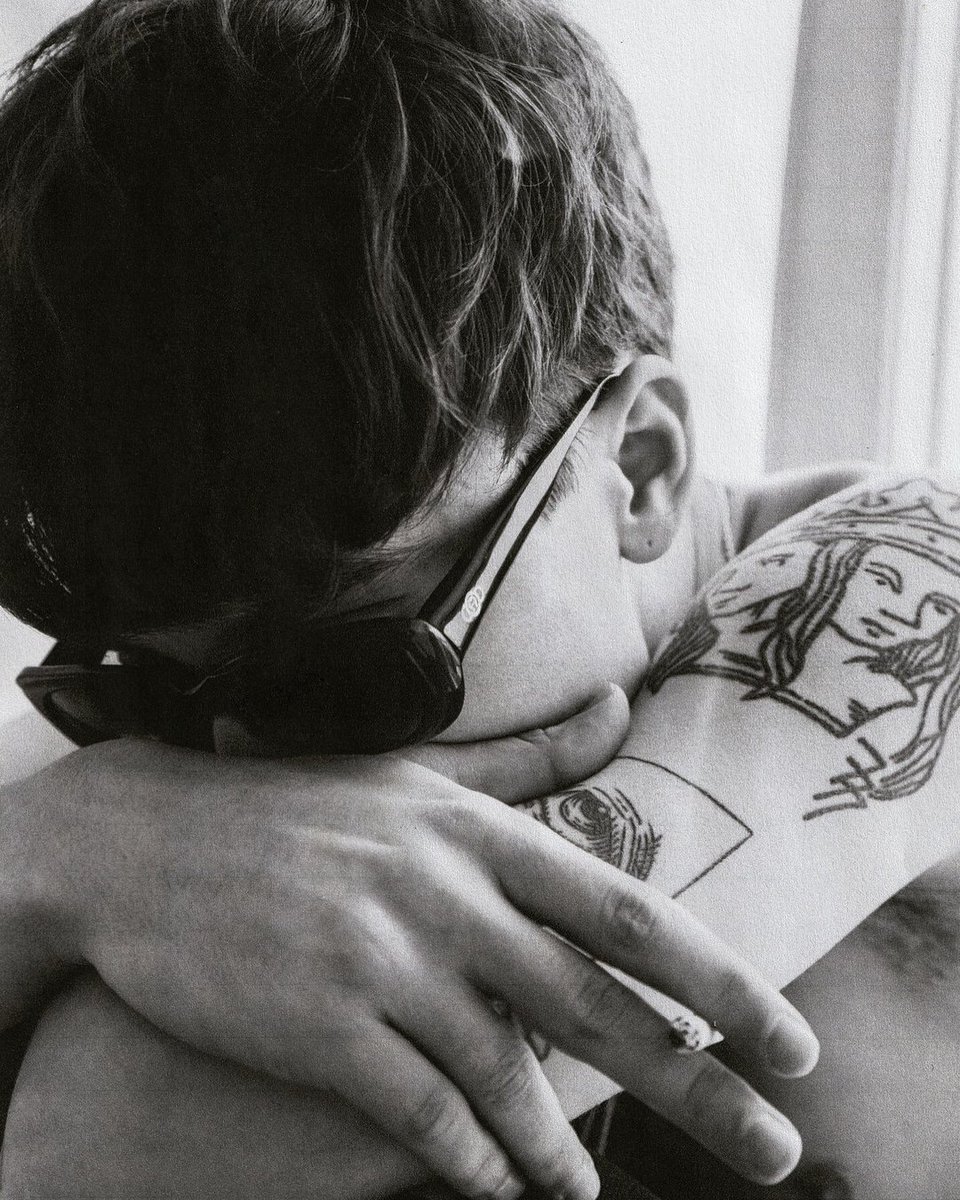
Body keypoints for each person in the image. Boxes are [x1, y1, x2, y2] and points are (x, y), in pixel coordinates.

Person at [0, 0, 948, 1195]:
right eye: (134, 694)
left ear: (641, 464)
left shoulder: (917, 581)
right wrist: (60, 847)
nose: (239, 771)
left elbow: (111, 1143)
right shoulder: (146, 774)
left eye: (351, 675)